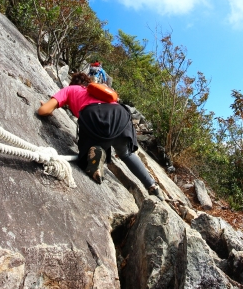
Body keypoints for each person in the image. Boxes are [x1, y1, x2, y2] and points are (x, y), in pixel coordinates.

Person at [37, 72, 164, 200]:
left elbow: (43, 110)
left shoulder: (70, 89)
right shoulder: (98, 91)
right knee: (126, 154)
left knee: (87, 153)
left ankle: (96, 156)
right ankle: (152, 185)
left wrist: (47, 110)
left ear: (74, 83)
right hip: (121, 116)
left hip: (95, 115)